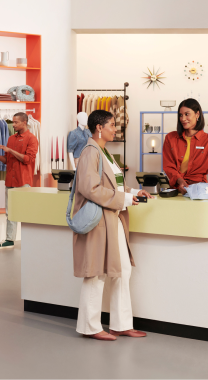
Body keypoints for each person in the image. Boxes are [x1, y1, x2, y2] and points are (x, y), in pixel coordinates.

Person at [73, 110, 152, 341]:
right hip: (99, 221)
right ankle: (89, 326)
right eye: (112, 125)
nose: (115, 129)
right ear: (99, 127)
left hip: (113, 219)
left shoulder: (104, 152)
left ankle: (121, 324)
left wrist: (134, 192)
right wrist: (125, 199)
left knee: (123, 270)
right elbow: (90, 188)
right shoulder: (90, 152)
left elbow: (114, 185)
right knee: (96, 273)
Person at [0, 112, 39, 250]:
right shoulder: (11, 138)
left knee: (25, 211)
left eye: (16, 122)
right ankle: (10, 239)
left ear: (24, 122)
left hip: (23, 181)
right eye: (13, 122)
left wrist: (10, 150)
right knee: (10, 212)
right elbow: (7, 161)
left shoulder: (32, 138)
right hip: (10, 181)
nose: (13, 124)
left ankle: (31, 239)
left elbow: (28, 159)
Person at [163, 98, 208, 195]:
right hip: (176, 190)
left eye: (187, 114)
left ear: (197, 114)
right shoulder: (170, 138)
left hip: (200, 191)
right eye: (180, 115)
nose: (183, 119)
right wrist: (179, 180)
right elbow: (169, 166)